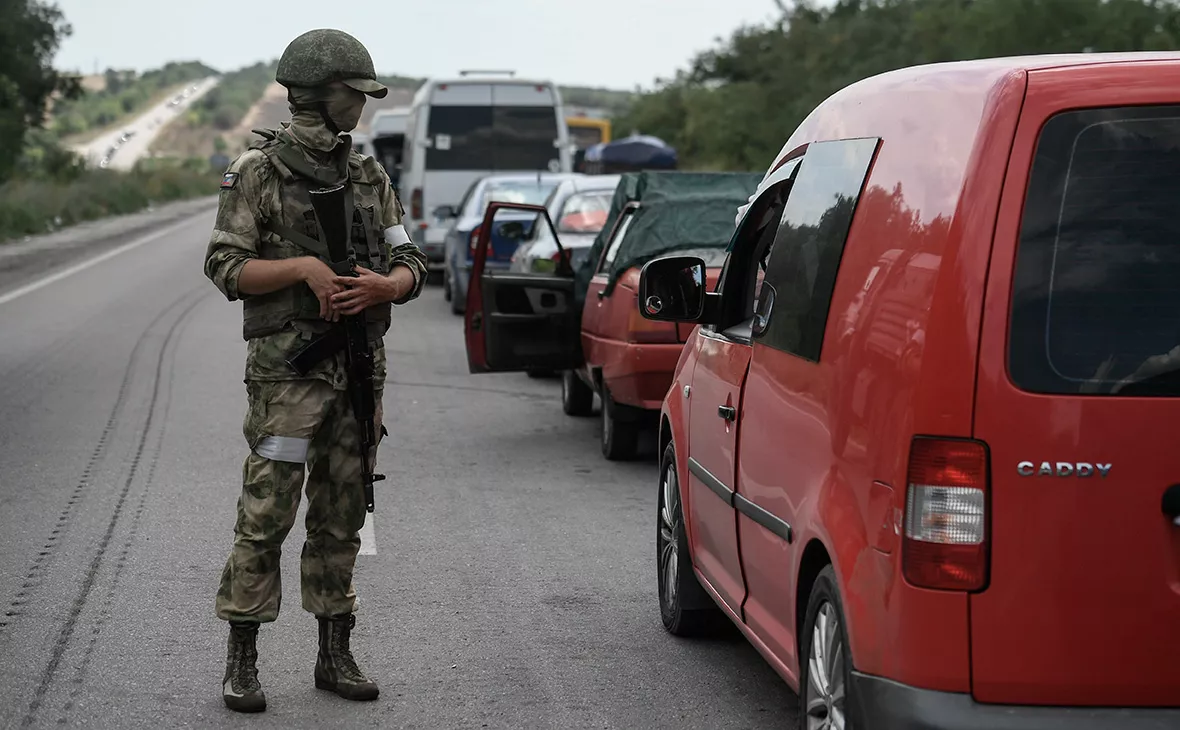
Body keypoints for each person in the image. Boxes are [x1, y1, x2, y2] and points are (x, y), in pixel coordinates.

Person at [203, 28, 427, 713]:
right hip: (287, 377)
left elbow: (410, 261)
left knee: (341, 516)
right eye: (351, 95)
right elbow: (225, 266)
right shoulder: (258, 173)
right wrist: (302, 269)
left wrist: (388, 287)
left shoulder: (367, 174)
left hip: (360, 371)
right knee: (267, 513)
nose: (359, 108)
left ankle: (335, 653)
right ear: (316, 95)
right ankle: (242, 660)